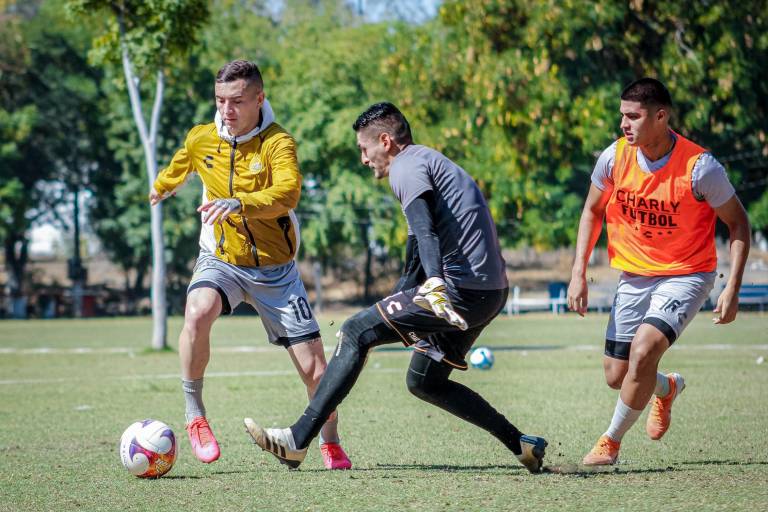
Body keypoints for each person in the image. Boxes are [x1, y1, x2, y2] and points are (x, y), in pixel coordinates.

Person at [243, 102, 548, 473]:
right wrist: (396, 302)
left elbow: (426, 233)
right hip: (489, 293)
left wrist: (435, 282)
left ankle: (297, 439)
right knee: (425, 381)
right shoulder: (425, 163)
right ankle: (521, 443)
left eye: (364, 149)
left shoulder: (406, 167)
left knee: (355, 331)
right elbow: (416, 255)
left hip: (459, 291)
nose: (363, 159)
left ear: (385, 141)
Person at [149, 60, 351, 470]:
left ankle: (329, 441)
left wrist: (239, 204)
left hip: (277, 272)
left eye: (237, 101)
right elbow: (183, 163)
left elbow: (287, 193)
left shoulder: (278, 142)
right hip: (221, 259)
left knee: (316, 371)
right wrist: (162, 186)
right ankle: (195, 415)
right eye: (220, 100)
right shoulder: (202, 138)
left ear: (259, 98)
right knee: (197, 310)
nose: (227, 110)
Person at [567, 78, 751, 465]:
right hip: (634, 275)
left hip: (687, 274)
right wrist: (578, 272)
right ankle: (666, 388)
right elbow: (592, 211)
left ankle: (610, 443)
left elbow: (738, 224)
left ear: (661, 116)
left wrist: (732, 287)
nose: (624, 124)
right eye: (622, 115)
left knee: (644, 350)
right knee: (617, 375)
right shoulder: (614, 158)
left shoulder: (700, 168)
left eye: (633, 116)